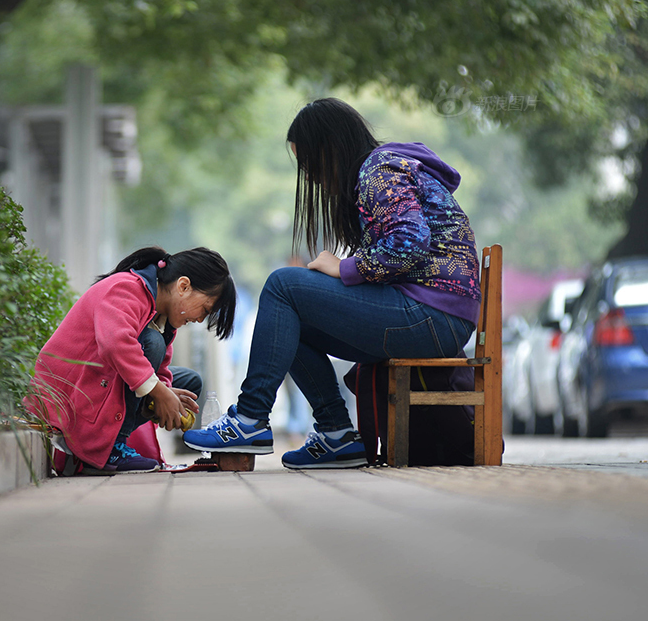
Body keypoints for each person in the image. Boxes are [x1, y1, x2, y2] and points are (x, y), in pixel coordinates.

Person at [184, 97, 481, 469]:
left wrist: (345, 268)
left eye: (308, 162)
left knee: (283, 285)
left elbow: (411, 241)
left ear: (330, 148)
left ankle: (248, 419)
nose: (307, 175)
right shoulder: (383, 170)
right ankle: (337, 434)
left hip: (430, 314)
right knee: (290, 322)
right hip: (434, 316)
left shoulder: (379, 170)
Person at [26, 246, 236, 475]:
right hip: (70, 398)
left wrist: (164, 394)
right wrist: (158, 392)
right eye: (205, 310)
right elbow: (115, 343)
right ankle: (110, 450)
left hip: (99, 386)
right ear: (183, 286)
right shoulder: (126, 288)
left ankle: (109, 440)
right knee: (152, 344)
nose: (199, 320)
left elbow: (161, 368)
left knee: (188, 382)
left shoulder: (163, 319)